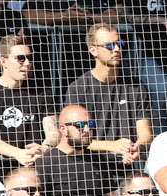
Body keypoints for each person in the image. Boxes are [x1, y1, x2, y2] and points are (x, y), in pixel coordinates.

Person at [63, 25, 152, 176]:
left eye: (120, 43)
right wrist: (112, 146)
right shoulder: (77, 89)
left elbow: (146, 134)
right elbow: (74, 139)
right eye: (109, 45)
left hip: (127, 169)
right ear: (93, 50)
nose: (117, 49)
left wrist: (137, 148)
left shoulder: (136, 86)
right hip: (88, 170)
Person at [0, 35, 55, 151]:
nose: (27, 63)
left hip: (33, 161)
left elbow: (53, 131)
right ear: (3, 61)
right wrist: (18, 154)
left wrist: (44, 148)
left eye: (29, 57)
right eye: (20, 58)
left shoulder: (41, 91)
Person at [34, 104, 109, 196]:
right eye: (79, 125)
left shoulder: (98, 159)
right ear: (63, 129)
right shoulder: (46, 162)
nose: (86, 130)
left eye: (90, 124)